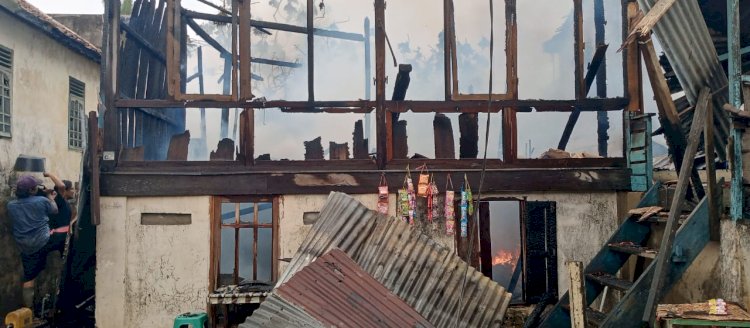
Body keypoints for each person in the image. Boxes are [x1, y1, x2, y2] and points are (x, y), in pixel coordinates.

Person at [6, 175, 63, 309]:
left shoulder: (11, 205)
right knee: (62, 243)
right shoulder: (42, 201)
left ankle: (28, 310)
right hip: (43, 241)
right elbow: (55, 210)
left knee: (29, 277)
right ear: (32, 190)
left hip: (23, 245)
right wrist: (49, 196)